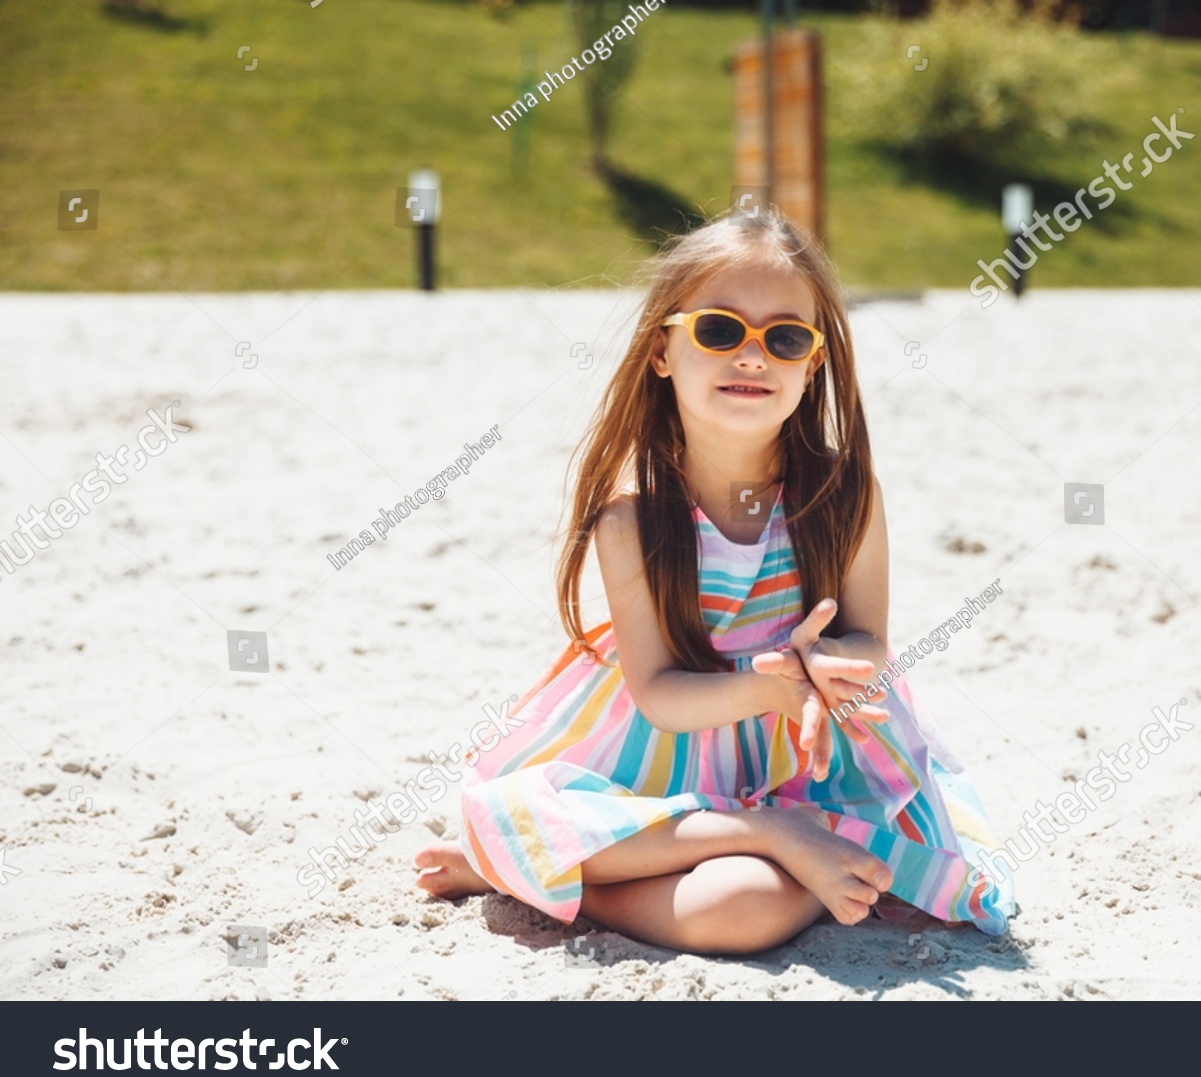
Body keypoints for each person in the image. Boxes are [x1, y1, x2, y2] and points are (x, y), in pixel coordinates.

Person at [415, 207, 1016, 955]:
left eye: (786, 337)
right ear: (662, 348)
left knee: (743, 910)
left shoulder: (847, 494)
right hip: (662, 767)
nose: (753, 356)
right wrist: (767, 689)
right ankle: (746, 834)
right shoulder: (631, 521)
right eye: (719, 330)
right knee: (543, 819)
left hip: (811, 765)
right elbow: (661, 692)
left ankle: (546, 871)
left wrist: (825, 666)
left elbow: (870, 641)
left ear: (814, 362)